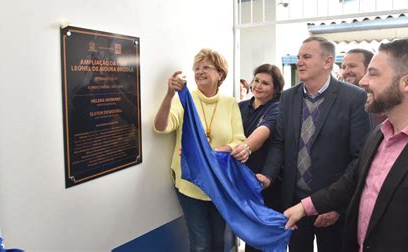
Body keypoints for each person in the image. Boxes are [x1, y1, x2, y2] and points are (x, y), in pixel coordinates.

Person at [284, 38, 408, 252]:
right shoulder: (378, 136)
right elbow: (349, 184)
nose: (363, 81)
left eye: (373, 73)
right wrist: (303, 208)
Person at [269, 37, 372, 252]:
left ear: (327, 62)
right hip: (294, 201)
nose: (299, 62)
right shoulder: (288, 97)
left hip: (332, 205)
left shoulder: (354, 98)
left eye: (306, 56)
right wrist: (267, 176)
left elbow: (360, 157)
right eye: (298, 57)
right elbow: (279, 143)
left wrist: (338, 205)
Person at [154, 48, 245, 252]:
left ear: (220, 73)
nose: (199, 72)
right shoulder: (185, 99)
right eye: (196, 68)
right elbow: (161, 127)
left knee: (218, 243)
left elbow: (239, 139)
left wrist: (217, 152)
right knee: (201, 245)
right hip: (190, 185)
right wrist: (169, 95)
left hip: (219, 184)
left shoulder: (230, 103)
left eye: (206, 67)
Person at [231, 64, 285, 252]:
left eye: (265, 83)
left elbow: (264, 130)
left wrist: (245, 147)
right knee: (249, 233)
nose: (258, 86)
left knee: (264, 235)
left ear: (275, 88)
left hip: (264, 180)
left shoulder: (278, 108)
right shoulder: (240, 107)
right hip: (241, 179)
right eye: (256, 80)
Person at [342, 48, 387, 127]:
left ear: (369, 68)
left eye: (352, 66)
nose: (345, 72)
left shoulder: (382, 102)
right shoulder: (340, 100)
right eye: (344, 67)